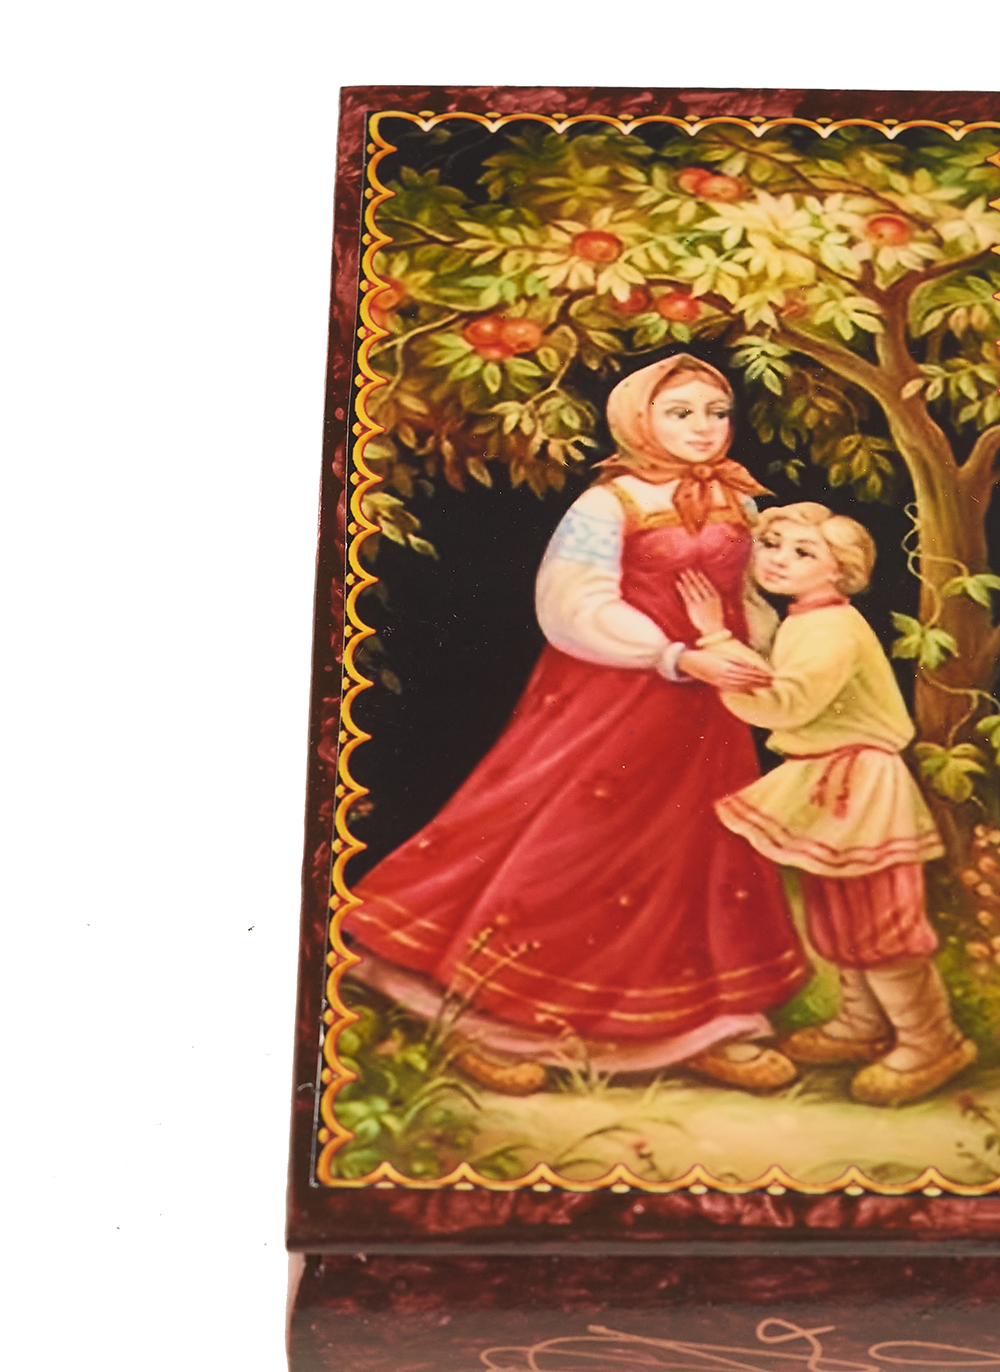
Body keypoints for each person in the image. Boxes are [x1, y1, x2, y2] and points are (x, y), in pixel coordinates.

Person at [341, 355, 808, 1095]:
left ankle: (705, 1026)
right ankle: (493, 1021)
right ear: (637, 419)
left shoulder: (738, 499)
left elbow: (749, 594)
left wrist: (763, 656)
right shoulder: (607, 504)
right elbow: (572, 603)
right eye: (680, 412)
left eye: (716, 412)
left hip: (706, 711)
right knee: (573, 846)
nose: (704, 428)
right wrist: (673, 655)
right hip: (611, 696)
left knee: (696, 853)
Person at [675, 502, 978, 1105]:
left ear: (841, 570)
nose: (778, 559)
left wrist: (714, 638)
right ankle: (861, 1024)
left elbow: (786, 703)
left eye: (802, 552)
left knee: (878, 919)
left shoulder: (832, 629)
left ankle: (931, 1040)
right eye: (771, 544)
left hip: (860, 785)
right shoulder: (806, 620)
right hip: (830, 779)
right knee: (837, 912)